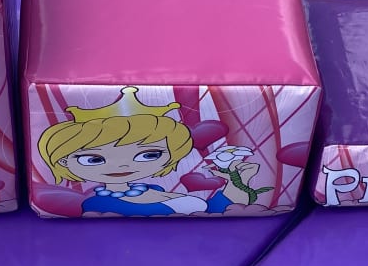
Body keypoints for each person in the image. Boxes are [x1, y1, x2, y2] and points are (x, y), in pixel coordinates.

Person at [37, 87, 261, 216]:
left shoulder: (152, 189)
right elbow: (210, 211)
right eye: (93, 159)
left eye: (149, 155)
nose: (122, 165)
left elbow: (215, 209)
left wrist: (238, 181)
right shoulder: (98, 204)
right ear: (63, 161)